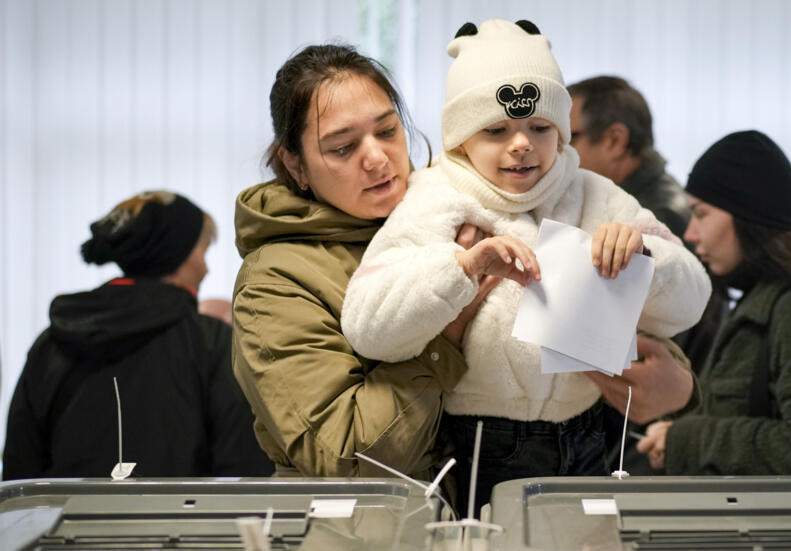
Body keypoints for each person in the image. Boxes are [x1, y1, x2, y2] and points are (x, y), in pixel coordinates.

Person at [340, 19, 710, 507]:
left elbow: (693, 300)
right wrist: (463, 269)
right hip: (476, 440)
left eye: (540, 127)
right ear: (460, 138)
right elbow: (367, 324)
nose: (522, 143)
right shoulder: (434, 198)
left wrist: (646, 260)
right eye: (495, 129)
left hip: (590, 438)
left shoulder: (596, 195)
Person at [231, 43, 498, 480]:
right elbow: (348, 460)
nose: (376, 159)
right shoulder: (276, 282)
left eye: (388, 131)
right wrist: (447, 324)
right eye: (342, 148)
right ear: (294, 164)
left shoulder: (449, 208)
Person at [634, 130, 791, 475]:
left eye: (702, 213)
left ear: (744, 214)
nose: (692, 233)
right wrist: (675, 433)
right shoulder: (764, 298)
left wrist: (689, 439)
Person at [3, 191, 272, 479]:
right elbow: (242, 468)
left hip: (64, 523)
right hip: (183, 523)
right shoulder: (210, 342)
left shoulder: (53, 342)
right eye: (203, 251)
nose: (206, 267)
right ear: (175, 252)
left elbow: (21, 472)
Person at [568, 75, 727, 474]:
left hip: (647, 435)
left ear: (615, 140)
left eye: (569, 138)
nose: (555, 153)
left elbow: (648, 346)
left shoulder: (655, 218)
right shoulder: (652, 199)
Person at [566, 75, 689, 237]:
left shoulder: (660, 219)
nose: (558, 151)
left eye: (569, 138)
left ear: (615, 141)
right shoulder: (619, 200)